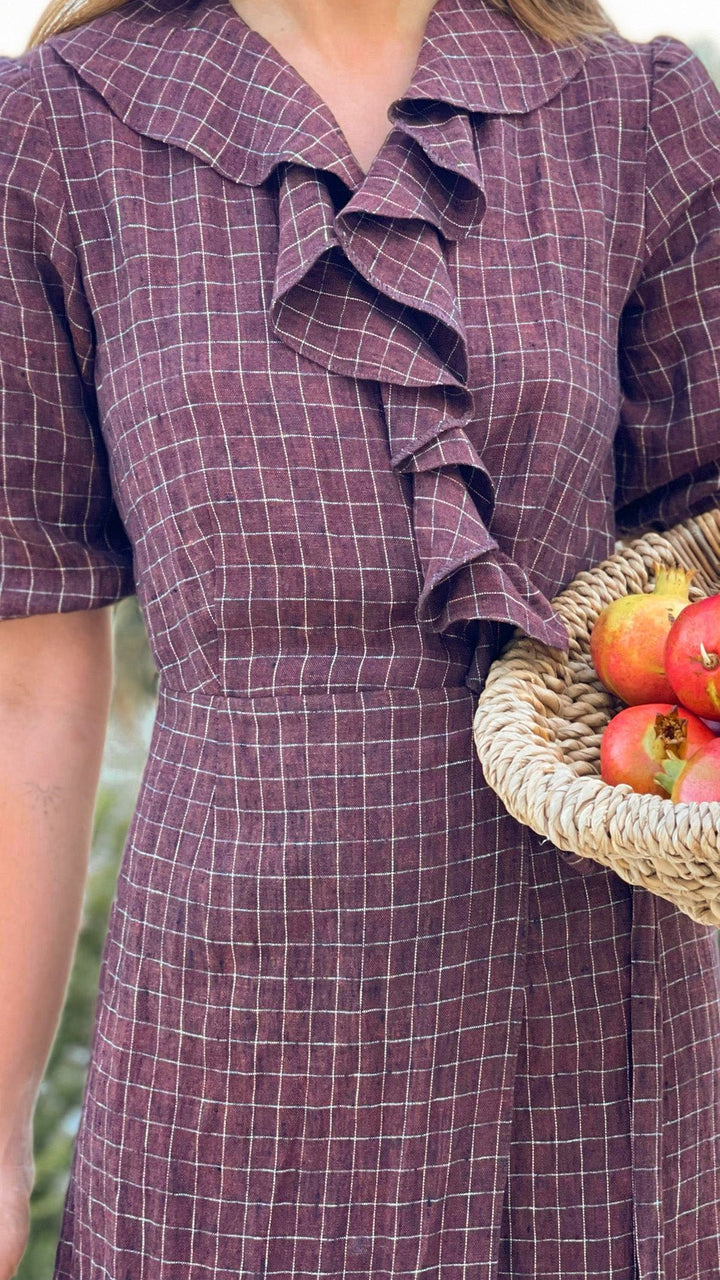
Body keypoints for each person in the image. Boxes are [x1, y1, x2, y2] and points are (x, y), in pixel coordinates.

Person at [0, 0, 719, 1275]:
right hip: (233, 1021)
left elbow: (701, 583)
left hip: (581, 1004)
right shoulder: (54, 132)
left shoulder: (639, 115)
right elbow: (25, 680)